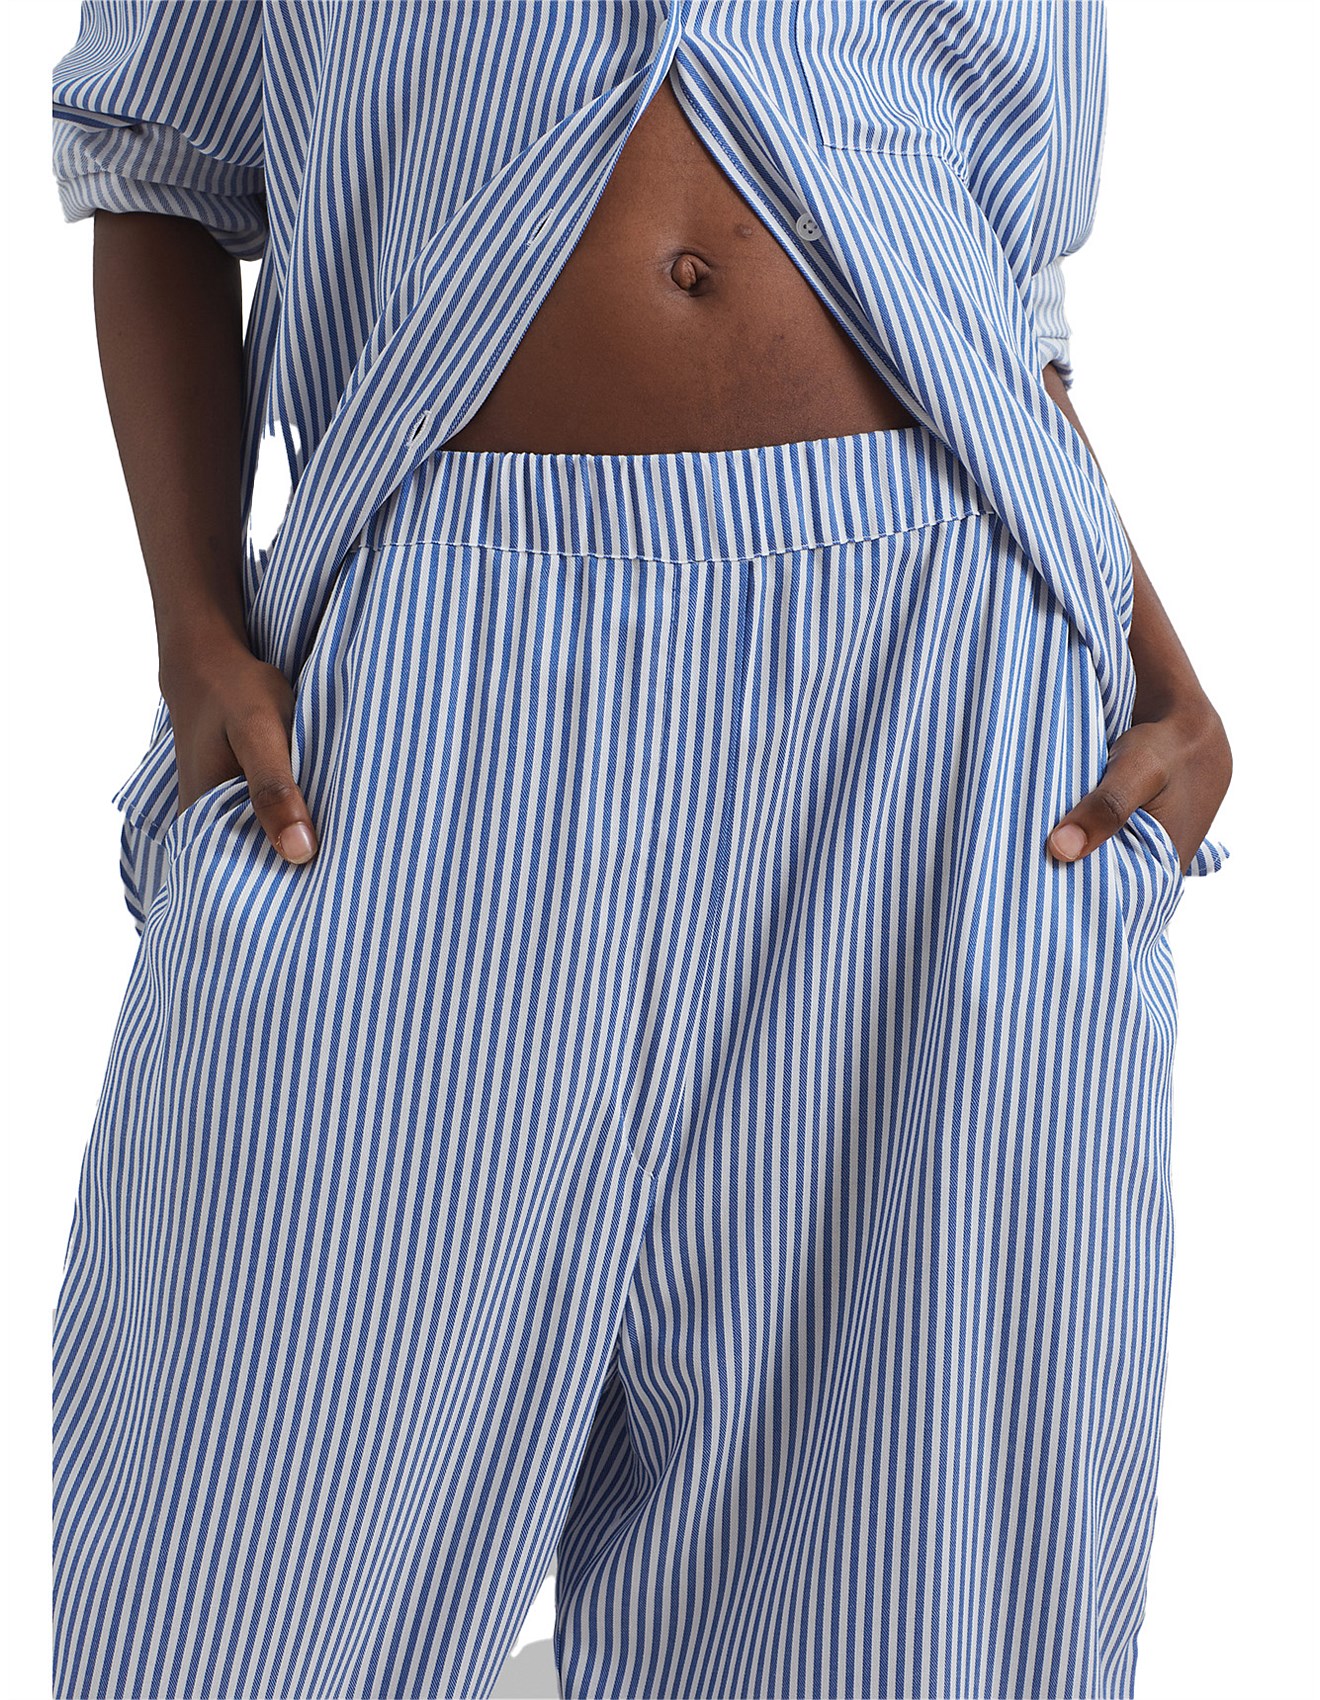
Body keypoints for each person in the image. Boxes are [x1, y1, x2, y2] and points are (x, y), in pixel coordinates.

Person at [49, 4, 1232, 1698]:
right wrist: (194, 628)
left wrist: (1159, 664)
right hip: (436, 670)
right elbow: (159, 168)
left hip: (936, 686)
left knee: (905, 1597)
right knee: (237, 1564)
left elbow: (998, 274)